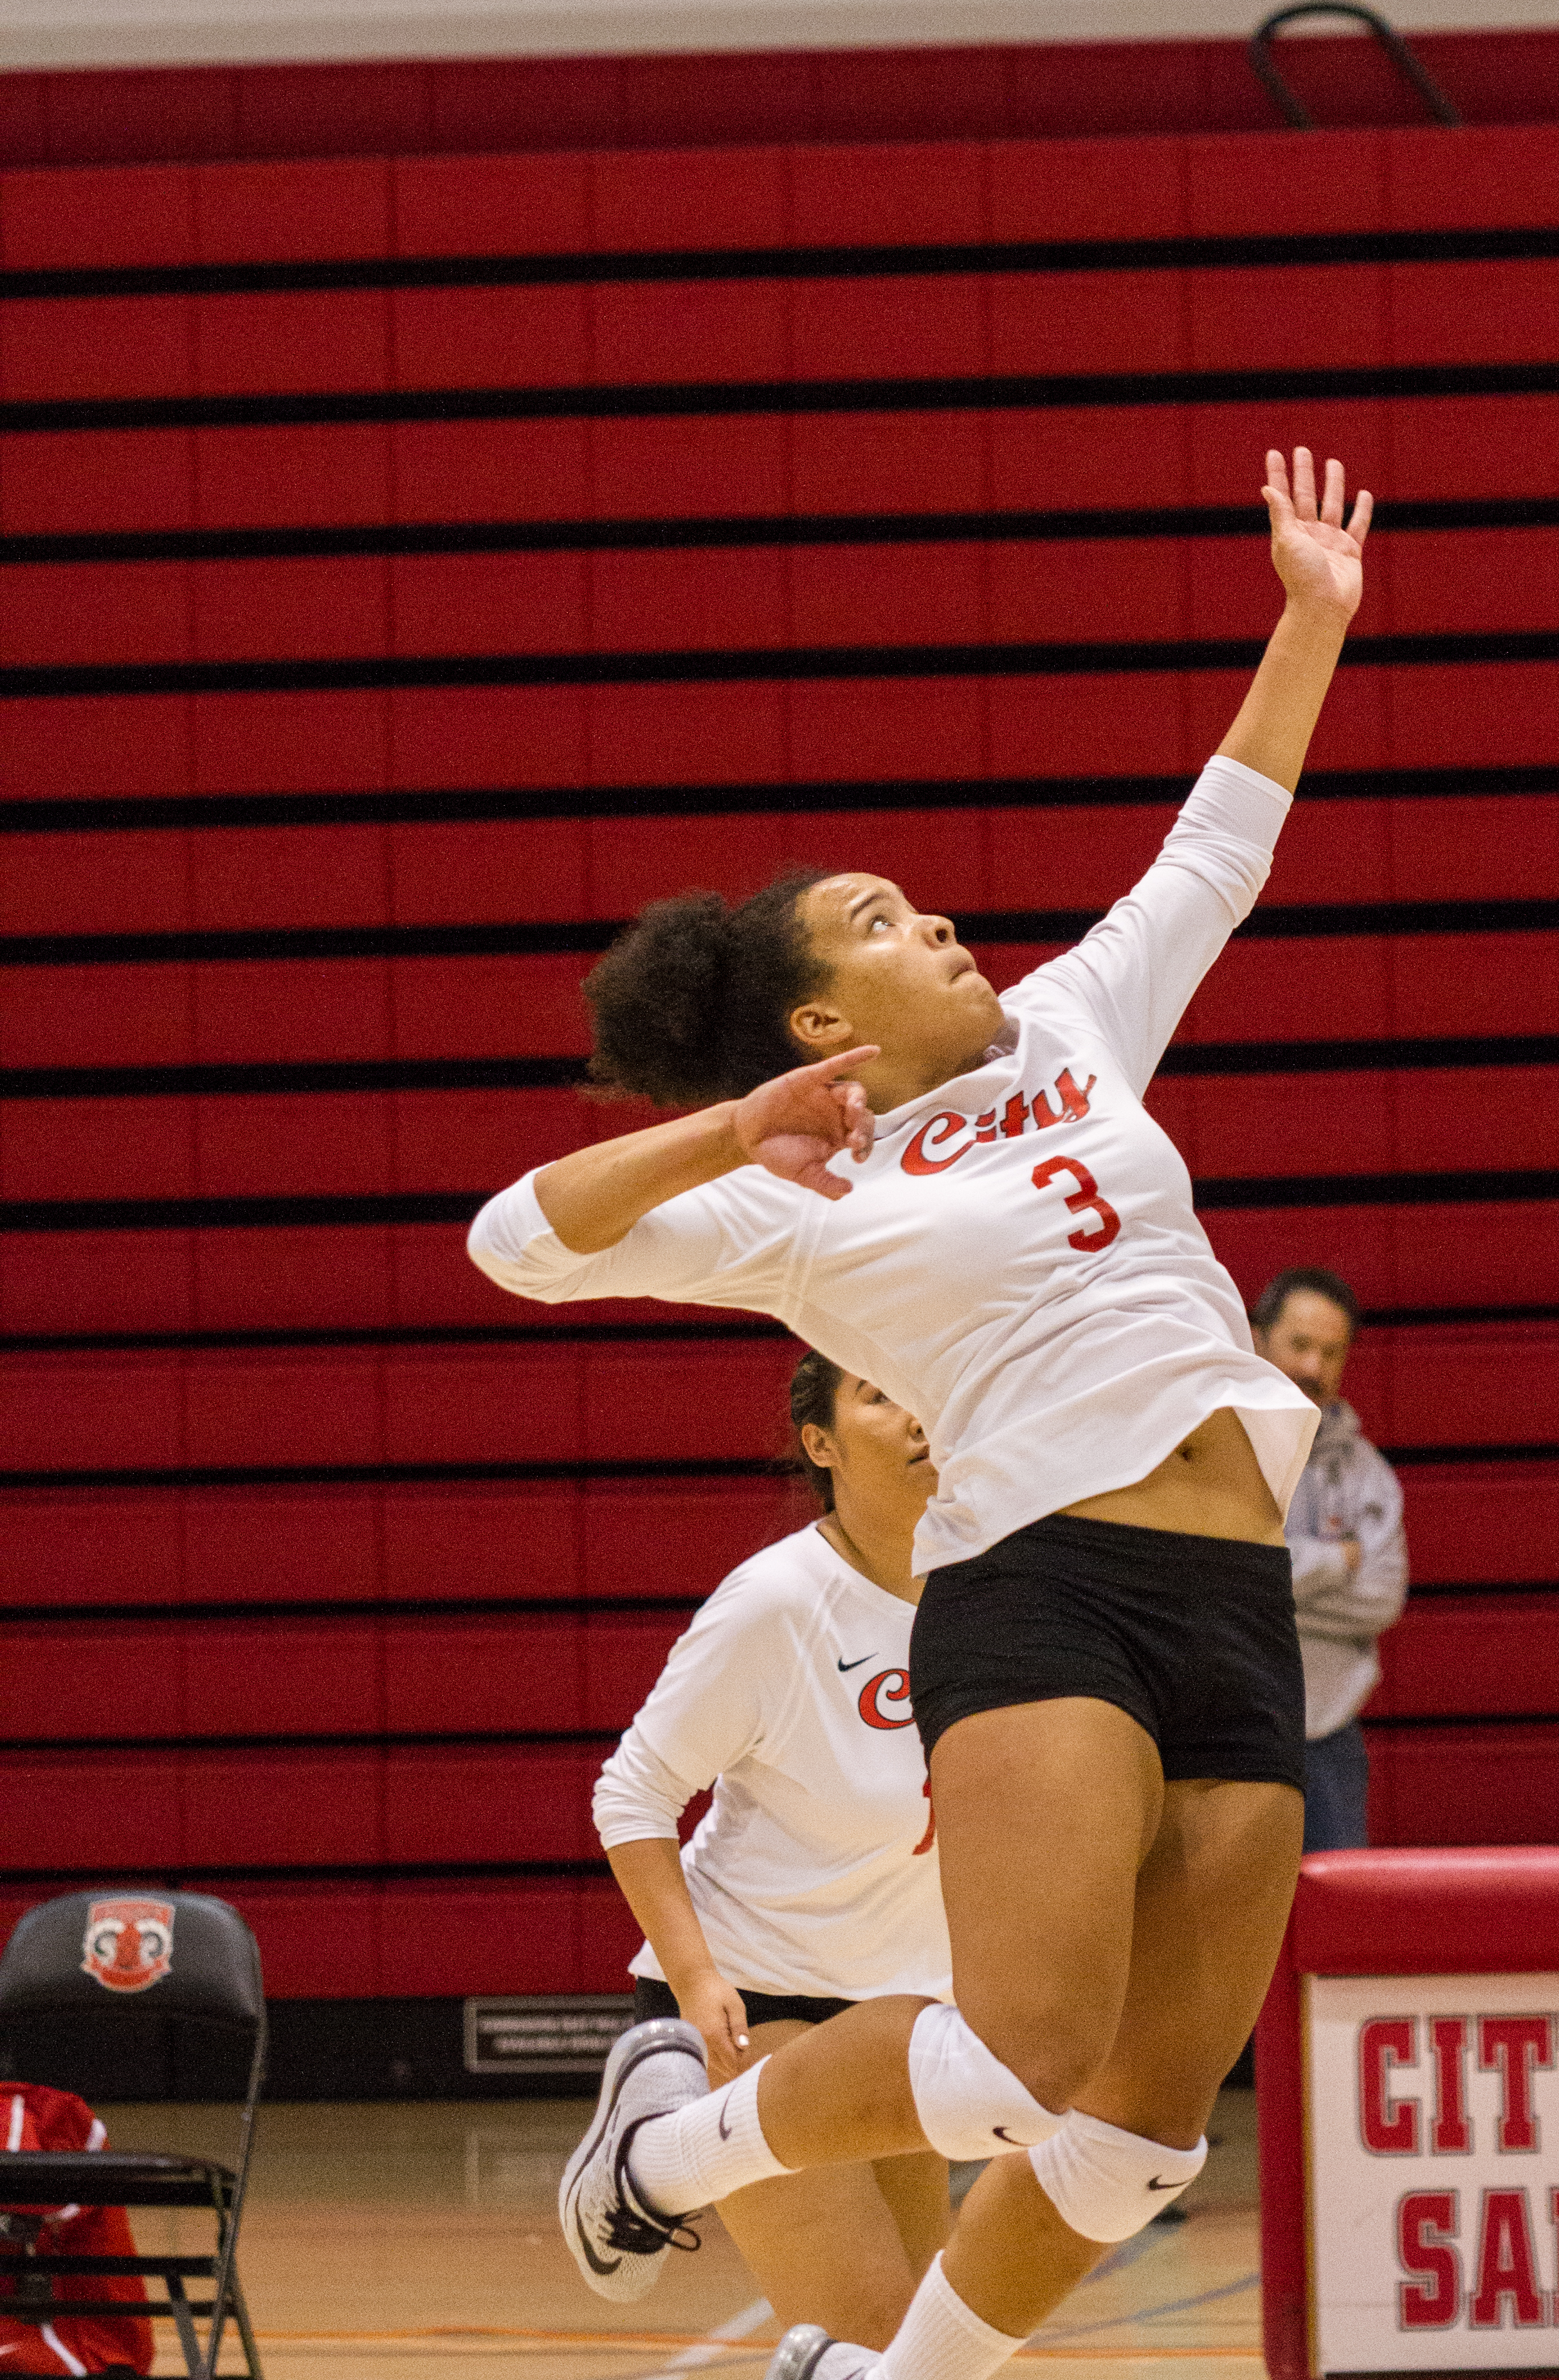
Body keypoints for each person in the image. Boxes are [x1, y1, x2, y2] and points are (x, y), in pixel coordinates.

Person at [468, 446, 1370, 2380]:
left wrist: (1311, 618)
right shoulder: (800, 1188)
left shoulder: (1073, 1023)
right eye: (883, 921)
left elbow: (1219, 848)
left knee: (1134, 2144)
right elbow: (511, 1245)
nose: (939, 921)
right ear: (820, 1023)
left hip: (1235, 1595)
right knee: (1024, 2058)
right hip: (1042, 1581)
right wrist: (723, 1133)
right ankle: (677, 2143)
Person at [576, 1352, 950, 2339]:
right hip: (759, 2005)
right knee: (873, 2340)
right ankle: (645, 2136)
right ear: (821, 1445)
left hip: (903, 2012)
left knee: (917, 2357)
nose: (919, 1415)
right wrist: (700, 1992)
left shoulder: (998, 1591)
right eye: (881, 1394)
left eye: (925, 1388)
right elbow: (633, 1794)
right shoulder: (778, 1601)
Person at [1250, 1269, 1407, 1850]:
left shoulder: (1367, 1472)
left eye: (1331, 1352)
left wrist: (1264, 1594)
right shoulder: (1211, 1453)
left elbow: (1383, 1597)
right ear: (1257, 1338)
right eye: (1300, 1345)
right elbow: (1213, 1581)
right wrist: (1339, 1563)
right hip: (1224, 1733)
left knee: (1339, 1932)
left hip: (1331, 1745)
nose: (1314, 1368)